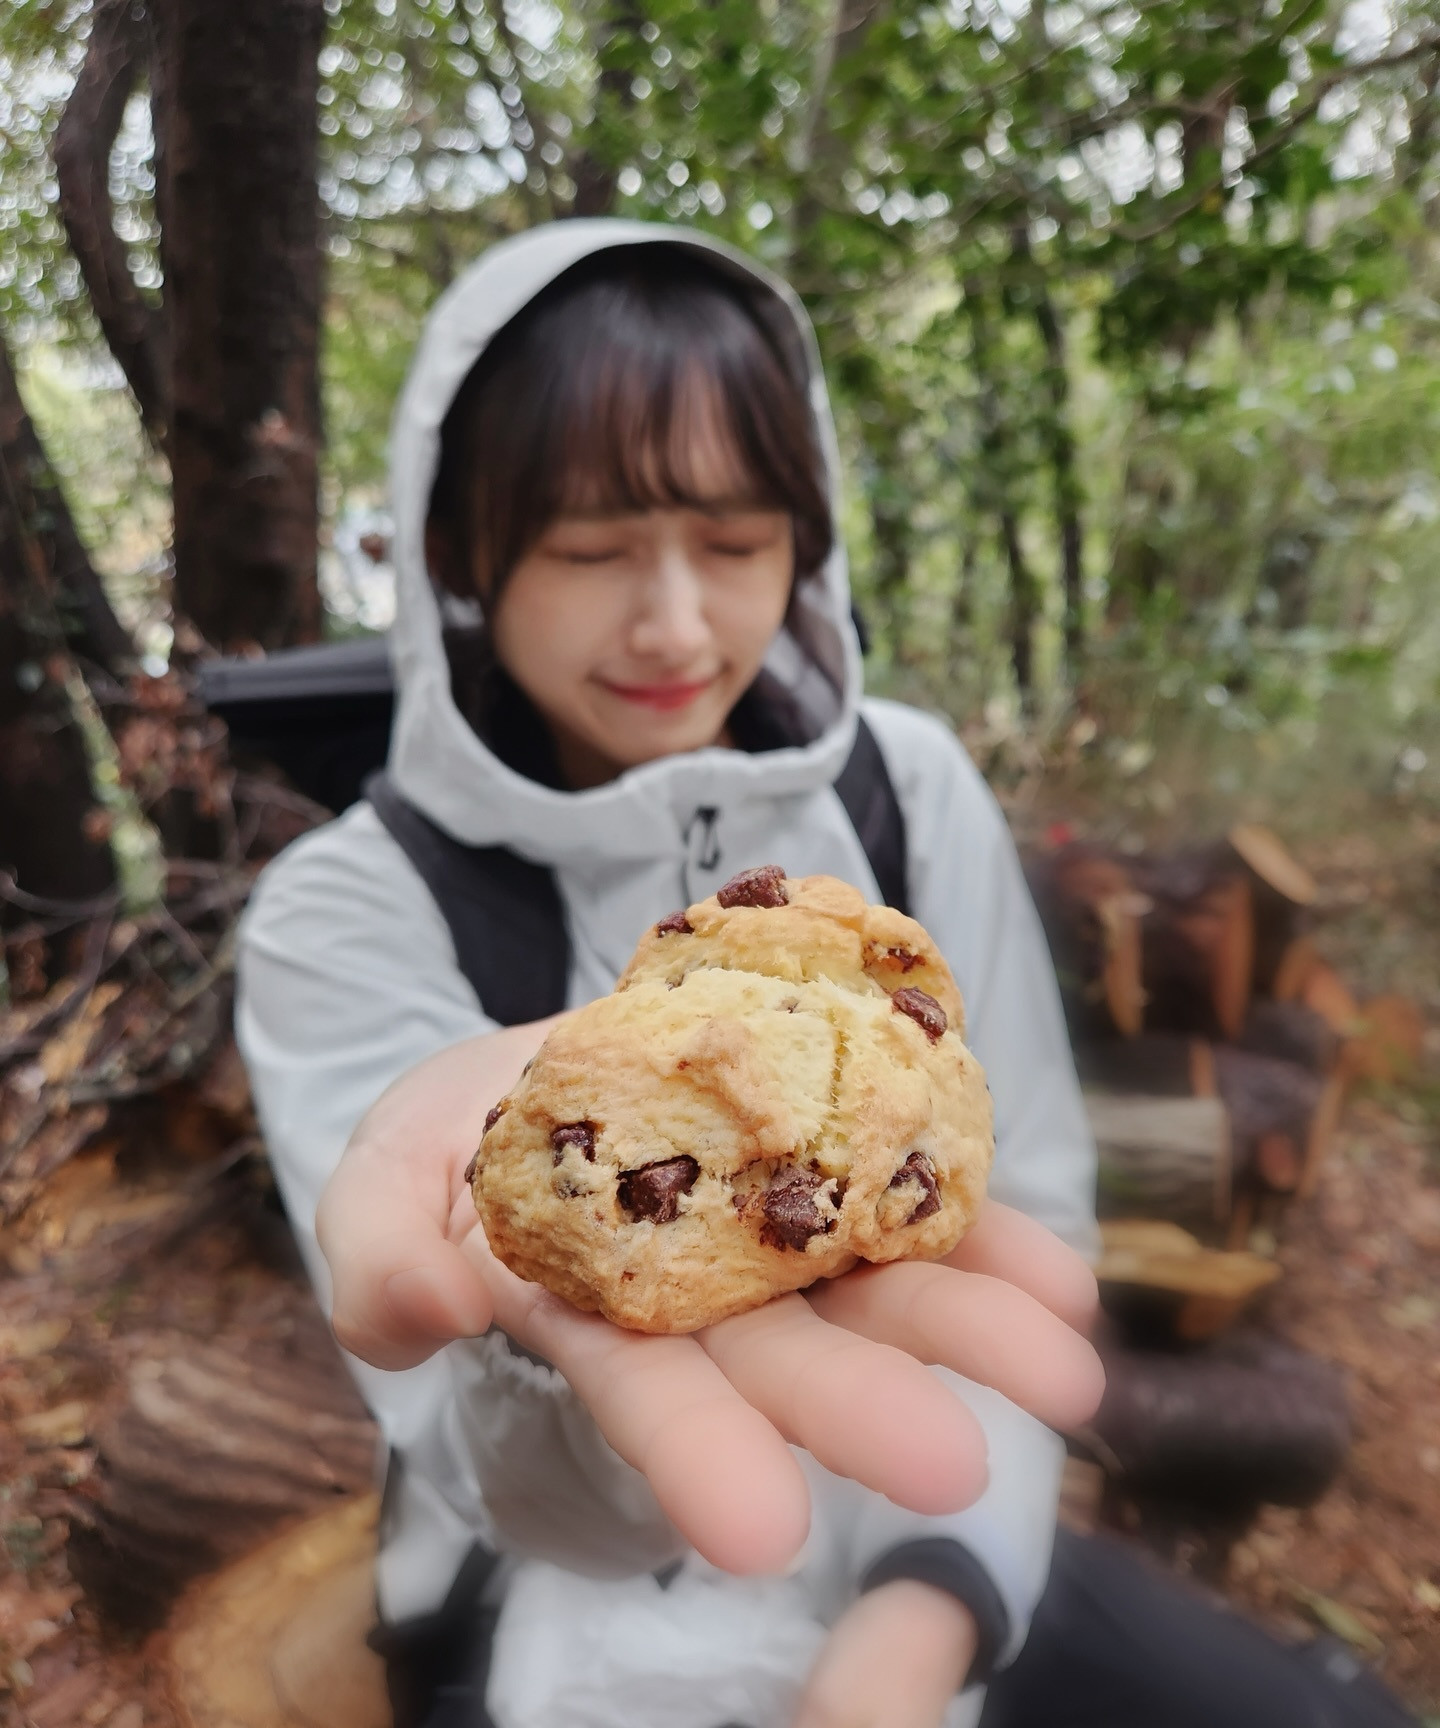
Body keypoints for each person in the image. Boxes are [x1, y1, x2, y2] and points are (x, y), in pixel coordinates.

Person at [235, 222, 1417, 1728]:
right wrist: (557, 1333)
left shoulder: (903, 792)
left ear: (809, 538)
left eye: (736, 545)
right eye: (591, 550)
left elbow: (1022, 1199)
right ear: (460, 550)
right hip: (538, 1592)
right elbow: (468, 1450)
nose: (675, 621)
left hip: (921, 1505)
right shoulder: (345, 906)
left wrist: (932, 1599)